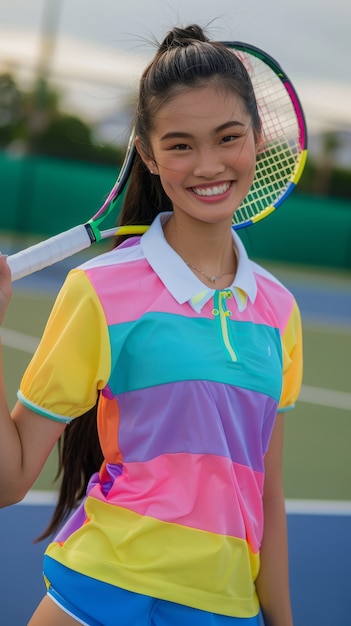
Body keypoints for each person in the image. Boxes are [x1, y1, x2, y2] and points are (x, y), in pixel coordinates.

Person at [0, 24, 303, 626]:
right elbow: (9, 481)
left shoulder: (280, 311)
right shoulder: (99, 290)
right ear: (147, 152)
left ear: (259, 139)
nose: (209, 165)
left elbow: (264, 491)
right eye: (181, 145)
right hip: (96, 596)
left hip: (224, 609)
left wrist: (281, 619)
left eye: (228, 138)